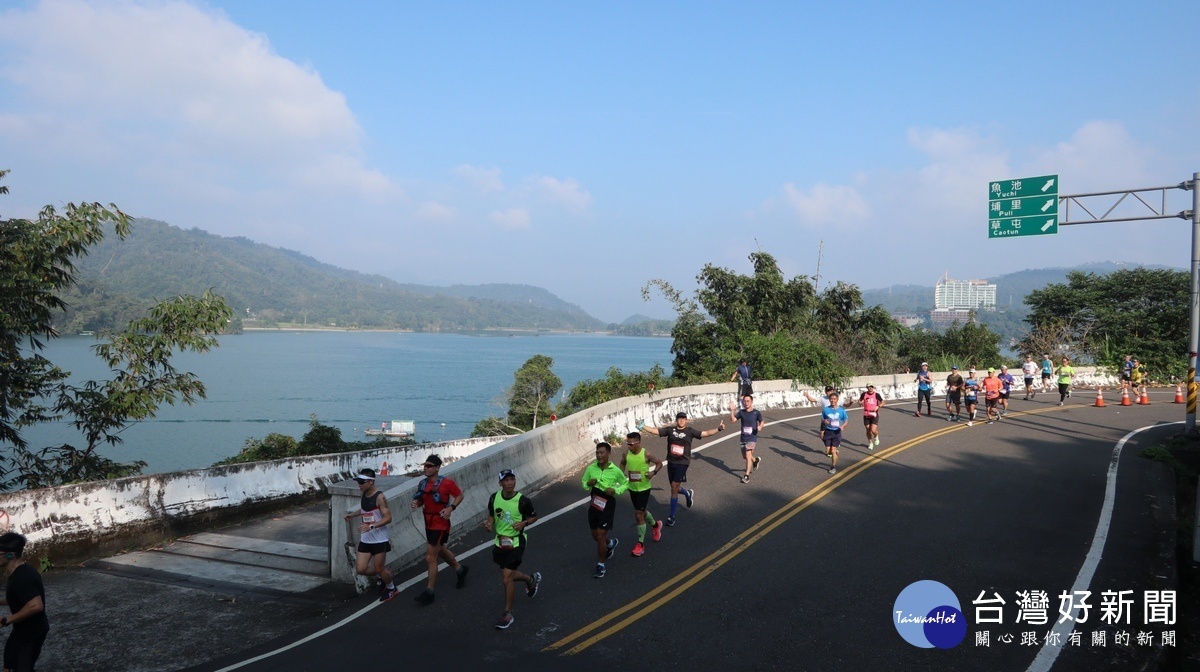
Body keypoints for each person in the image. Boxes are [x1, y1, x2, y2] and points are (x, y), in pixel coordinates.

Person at [639, 412, 724, 527]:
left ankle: (671, 516)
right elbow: (655, 431)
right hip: (671, 462)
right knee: (676, 488)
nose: (682, 421)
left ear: (686, 420)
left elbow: (706, 433)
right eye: (680, 419)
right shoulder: (670, 430)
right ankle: (688, 493)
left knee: (674, 487)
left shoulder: (690, 431)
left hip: (683, 463)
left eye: (684, 419)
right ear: (676, 420)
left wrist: (718, 429)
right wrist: (642, 426)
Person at [484, 469, 540, 629]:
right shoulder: (494, 498)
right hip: (500, 541)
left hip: (516, 542)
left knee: (506, 578)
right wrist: (489, 524)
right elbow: (491, 515)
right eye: (506, 480)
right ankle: (530, 580)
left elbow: (534, 516)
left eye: (512, 479)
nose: (510, 483)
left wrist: (524, 523)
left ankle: (507, 614)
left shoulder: (522, 501)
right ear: (500, 483)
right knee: (507, 575)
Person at [410, 454, 468, 605]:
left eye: (429, 466)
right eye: (425, 465)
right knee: (440, 550)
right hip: (428, 522)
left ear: (437, 468)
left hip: (440, 523)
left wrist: (451, 508)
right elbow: (424, 498)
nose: (426, 468)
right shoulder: (422, 484)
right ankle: (460, 570)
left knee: (430, 557)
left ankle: (430, 591)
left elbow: (459, 495)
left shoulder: (447, 483)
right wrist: (417, 502)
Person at [342, 468, 398, 602]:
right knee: (360, 569)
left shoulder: (380, 497)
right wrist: (352, 515)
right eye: (358, 482)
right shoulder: (364, 494)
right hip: (366, 539)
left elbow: (388, 518)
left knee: (379, 567)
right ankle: (383, 575)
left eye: (361, 482)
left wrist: (371, 526)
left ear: (371, 482)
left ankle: (391, 588)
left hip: (379, 539)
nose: (359, 485)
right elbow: (365, 509)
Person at [0, 532, 48, 672]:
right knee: (8, 666)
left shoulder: (21, 578)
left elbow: (36, 605)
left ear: (10, 555)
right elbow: (20, 599)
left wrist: (6, 620)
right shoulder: (22, 571)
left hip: (31, 633)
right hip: (21, 631)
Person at [582, 442, 629, 578]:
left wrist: (615, 490)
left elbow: (625, 483)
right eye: (597, 453)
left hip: (607, 504)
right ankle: (611, 543)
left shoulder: (615, 471)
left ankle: (601, 565)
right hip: (594, 503)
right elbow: (584, 483)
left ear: (608, 454)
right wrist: (588, 484)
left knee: (601, 534)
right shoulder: (591, 468)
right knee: (595, 535)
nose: (599, 455)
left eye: (602, 453)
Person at [619, 432, 664, 557]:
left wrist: (653, 473)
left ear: (638, 443)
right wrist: (621, 474)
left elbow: (659, 463)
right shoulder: (626, 454)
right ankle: (656, 525)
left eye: (631, 444)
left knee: (638, 515)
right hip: (632, 488)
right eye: (627, 443)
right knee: (642, 512)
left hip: (644, 488)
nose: (629, 446)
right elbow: (622, 463)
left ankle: (640, 545)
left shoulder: (646, 454)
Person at [729, 396, 764, 483]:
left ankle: (746, 476)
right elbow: (733, 420)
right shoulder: (741, 412)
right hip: (743, 437)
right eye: (745, 401)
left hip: (752, 438)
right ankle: (755, 460)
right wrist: (732, 410)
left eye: (748, 401)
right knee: (745, 457)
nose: (746, 403)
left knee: (748, 455)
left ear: (751, 402)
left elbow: (762, 421)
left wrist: (760, 426)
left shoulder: (756, 413)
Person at [821, 392, 849, 474]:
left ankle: (833, 467)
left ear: (837, 400)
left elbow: (846, 420)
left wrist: (843, 426)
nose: (833, 400)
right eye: (831, 399)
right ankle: (835, 452)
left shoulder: (841, 411)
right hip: (828, 432)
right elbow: (822, 418)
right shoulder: (825, 410)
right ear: (829, 400)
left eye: (834, 399)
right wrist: (824, 421)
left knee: (832, 451)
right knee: (828, 451)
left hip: (837, 432)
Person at [858, 384, 885, 449]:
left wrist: (878, 406)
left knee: (873, 430)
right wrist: (860, 403)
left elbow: (883, 402)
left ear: (873, 387)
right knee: (868, 430)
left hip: (874, 414)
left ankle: (876, 436)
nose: (870, 388)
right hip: (866, 414)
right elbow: (859, 401)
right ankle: (870, 443)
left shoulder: (876, 395)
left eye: (872, 387)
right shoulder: (864, 394)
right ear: (867, 387)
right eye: (869, 387)